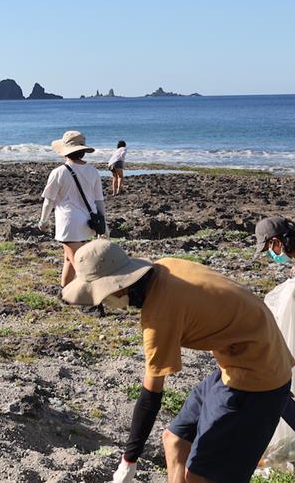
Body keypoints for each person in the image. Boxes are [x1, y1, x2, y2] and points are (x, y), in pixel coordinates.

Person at [61, 239, 293, 483]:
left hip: (254, 376)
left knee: (199, 477)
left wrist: (129, 460)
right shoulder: (164, 268)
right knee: (174, 440)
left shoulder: (159, 315)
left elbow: (151, 397)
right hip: (240, 357)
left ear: (116, 289)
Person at [38, 130, 106, 286]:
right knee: (69, 259)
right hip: (89, 223)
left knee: (81, 267)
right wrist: (104, 226)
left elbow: (49, 201)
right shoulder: (93, 171)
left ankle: (94, 304)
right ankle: (64, 293)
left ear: (65, 152)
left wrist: (43, 221)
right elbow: (99, 201)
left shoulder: (59, 172)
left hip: (69, 224)